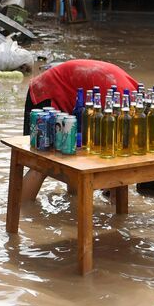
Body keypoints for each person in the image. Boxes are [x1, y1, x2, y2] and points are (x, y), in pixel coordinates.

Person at [21, 59, 138, 201]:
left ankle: (73, 201)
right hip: (48, 92)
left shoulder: (134, 97)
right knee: (41, 163)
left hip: (72, 93)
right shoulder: (128, 111)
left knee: (74, 152)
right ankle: (22, 210)